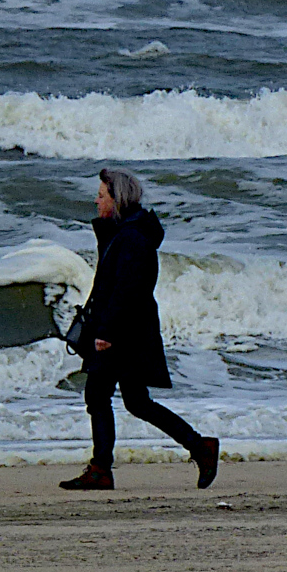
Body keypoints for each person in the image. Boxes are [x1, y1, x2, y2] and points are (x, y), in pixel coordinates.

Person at [59, 167, 219, 491]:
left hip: (125, 334)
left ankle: (102, 468)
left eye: (101, 196)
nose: (96, 201)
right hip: (128, 330)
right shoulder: (124, 232)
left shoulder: (131, 237)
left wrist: (106, 333)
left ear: (117, 199)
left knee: (102, 395)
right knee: (132, 400)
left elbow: (127, 290)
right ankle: (199, 447)